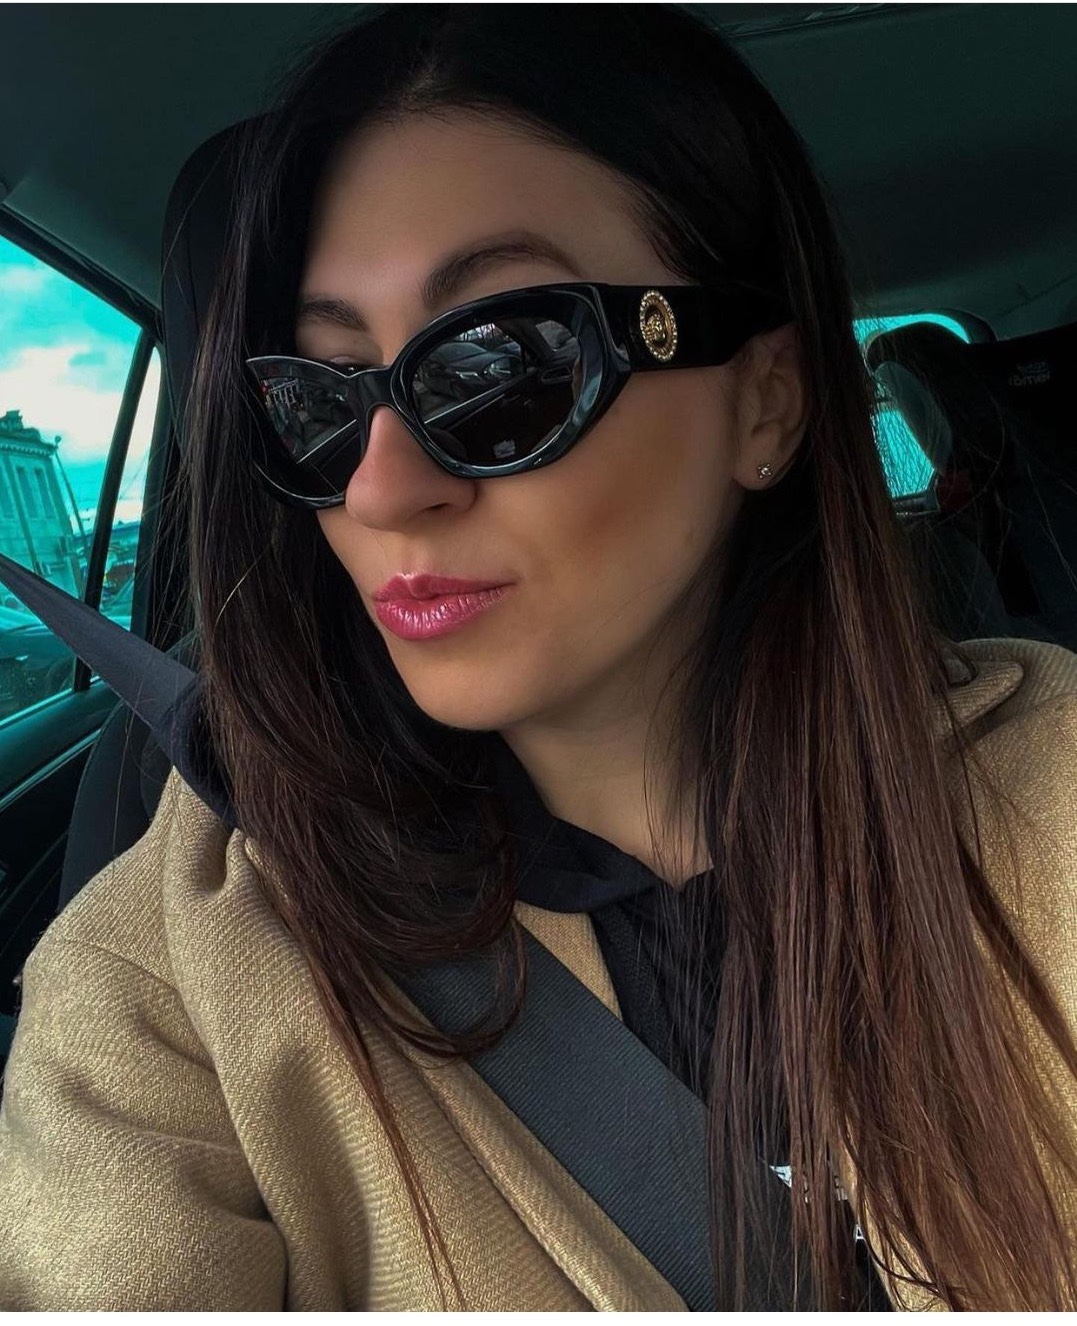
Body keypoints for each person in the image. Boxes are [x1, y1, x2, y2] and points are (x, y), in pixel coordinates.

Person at [1, 3, 1076, 1311]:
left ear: (766, 401)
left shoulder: (1051, 797)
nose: (381, 490)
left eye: (497, 366)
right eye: (319, 401)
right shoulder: (178, 967)